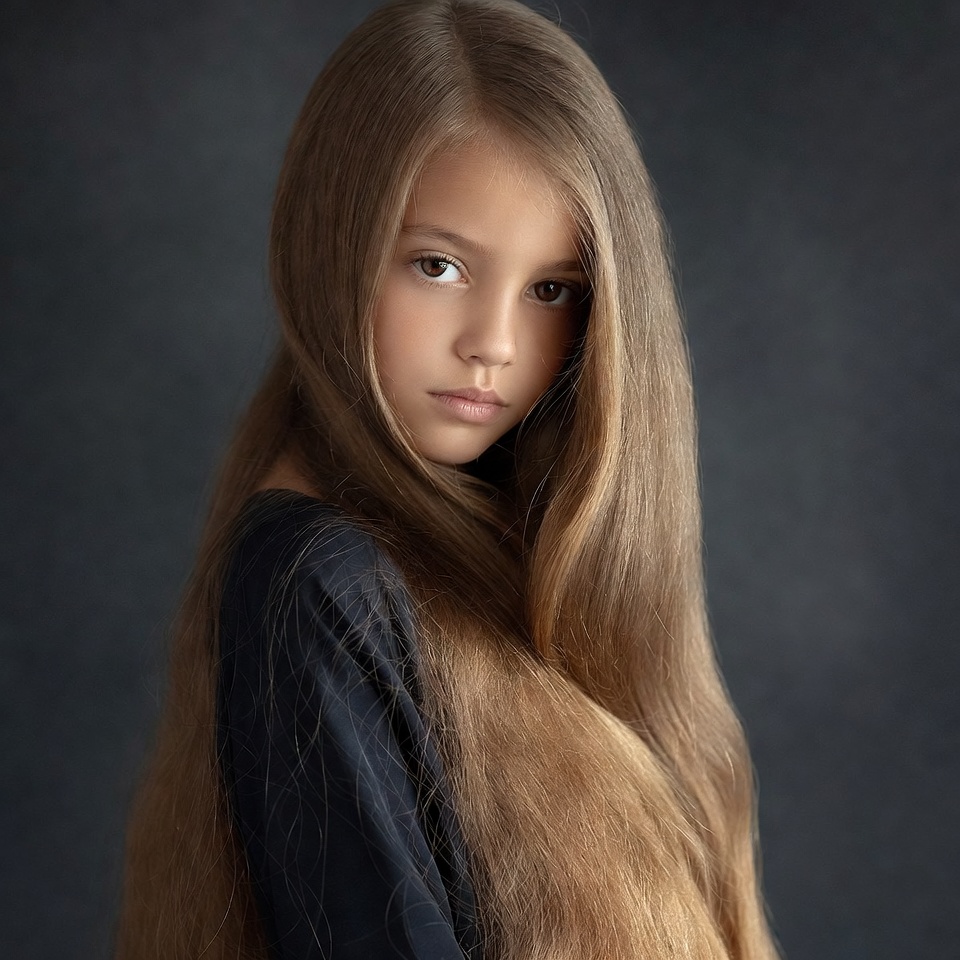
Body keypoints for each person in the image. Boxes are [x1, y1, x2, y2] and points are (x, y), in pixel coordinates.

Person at [116, 1, 779, 957]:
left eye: (551, 290)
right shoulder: (316, 583)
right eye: (438, 265)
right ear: (329, 246)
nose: (495, 346)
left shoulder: (503, 553)